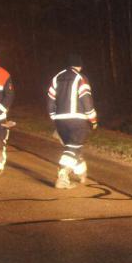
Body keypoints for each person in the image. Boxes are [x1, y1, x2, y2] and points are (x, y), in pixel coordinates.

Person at [47, 54, 97, 189]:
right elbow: (86, 100)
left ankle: (81, 174)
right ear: (80, 66)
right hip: (77, 120)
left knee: (73, 147)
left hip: (60, 120)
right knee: (73, 147)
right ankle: (62, 176)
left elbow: (50, 101)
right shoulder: (81, 78)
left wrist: (54, 118)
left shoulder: (56, 78)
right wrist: (93, 119)